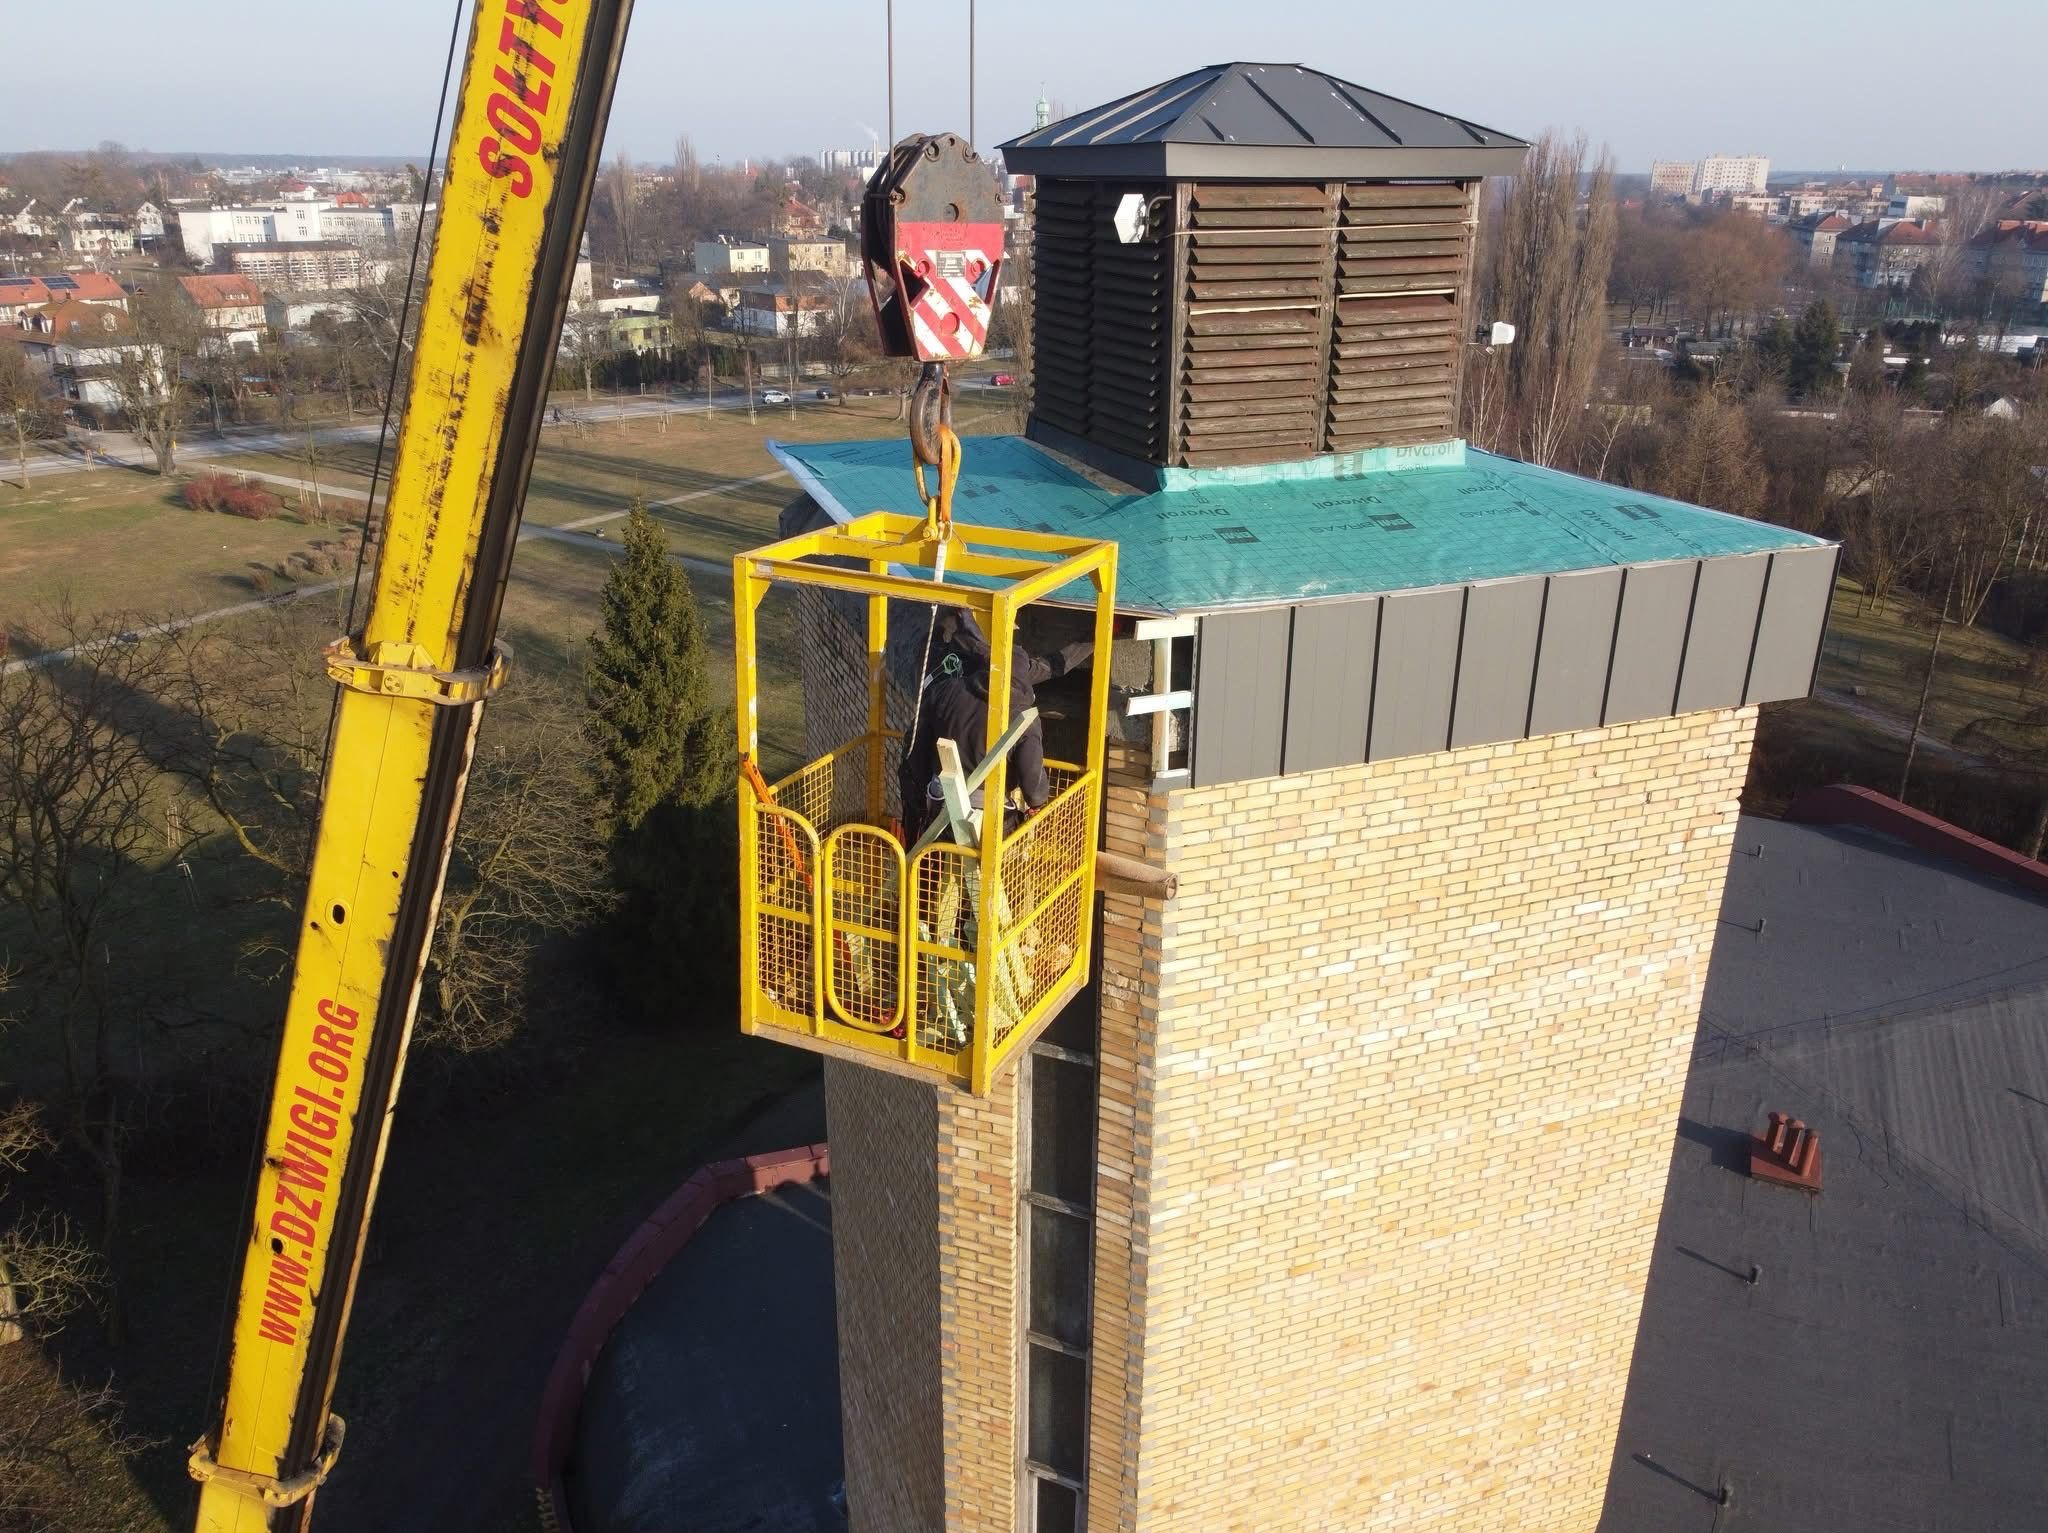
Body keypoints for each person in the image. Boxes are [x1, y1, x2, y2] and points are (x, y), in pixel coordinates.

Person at [898, 610, 1091, 847]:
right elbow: (1034, 789)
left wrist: (923, 798)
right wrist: (1038, 803)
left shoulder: (944, 691)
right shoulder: (1024, 717)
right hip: (990, 826)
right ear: (1024, 680)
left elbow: (915, 749)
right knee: (1007, 850)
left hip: (940, 813)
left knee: (928, 860)